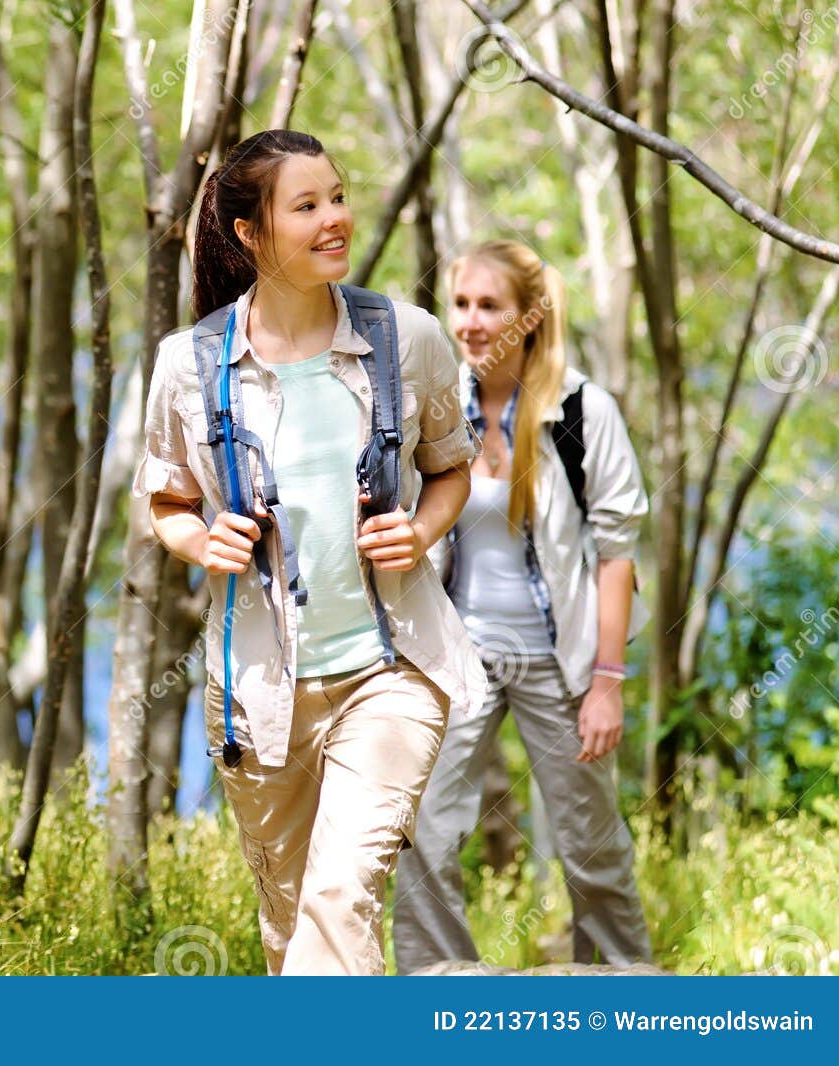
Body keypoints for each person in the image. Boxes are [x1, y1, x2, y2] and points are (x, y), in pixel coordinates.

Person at [131, 128, 487, 976]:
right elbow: (166, 502)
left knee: (338, 898)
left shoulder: (408, 338)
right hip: (257, 696)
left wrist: (421, 530)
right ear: (250, 233)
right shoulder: (188, 365)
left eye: (338, 197)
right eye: (307, 206)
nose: (336, 218)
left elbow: (451, 470)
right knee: (292, 926)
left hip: (391, 671)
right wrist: (202, 540)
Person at [392, 239, 653, 972]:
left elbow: (617, 555)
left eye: (490, 305)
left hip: (557, 660)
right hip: (456, 655)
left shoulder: (582, 411)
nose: (470, 322)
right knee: (423, 833)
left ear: (530, 316)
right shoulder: (434, 406)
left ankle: (625, 991)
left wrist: (607, 683)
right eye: (461, 304)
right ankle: (437, 990)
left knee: (591, 848)